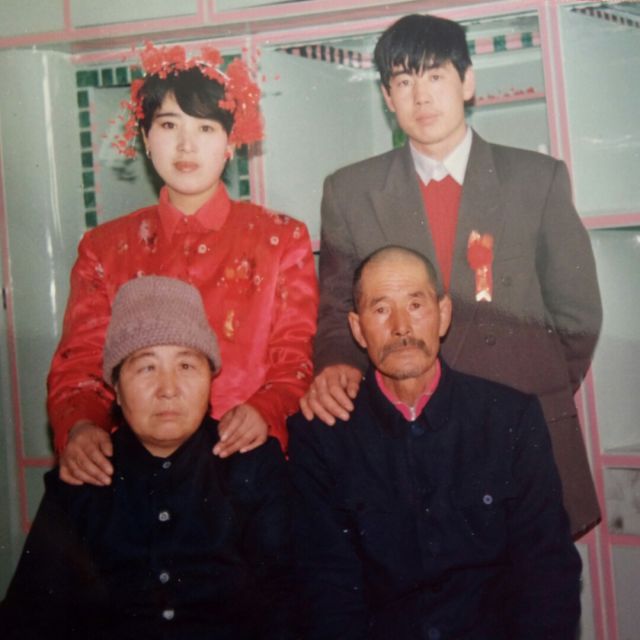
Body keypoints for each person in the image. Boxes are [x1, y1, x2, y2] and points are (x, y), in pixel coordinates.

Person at [302, 13, 602, 536]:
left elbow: (577, 315)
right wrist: (337, 365)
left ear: (467, 83)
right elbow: (336, 312)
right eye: (403, 81)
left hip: (520, 427)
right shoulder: (350, 192)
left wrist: (532, 381)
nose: (421, 97)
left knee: (534, 580)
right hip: (406, 430)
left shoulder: (536, 178)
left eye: (436, 76)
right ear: (386, 97)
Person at [48, 42, 318, 486]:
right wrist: (82, 427)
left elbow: (295, 361)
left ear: (231, 142)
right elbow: (79, 368)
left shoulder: (280, 239)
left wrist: (264, 410)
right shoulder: (105, 248)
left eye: (206, 128)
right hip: (136, 474)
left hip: (250, 466)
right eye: (169, 125)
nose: (186, 145)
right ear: (145, 138)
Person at [289, 246, 582, 640]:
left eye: (415, 305)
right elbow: (327, 588)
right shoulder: (323, 436)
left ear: (443, 315)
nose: (401, 327)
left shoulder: (510, 419)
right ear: (357, 329)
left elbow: (548, 574)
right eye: (381, 309)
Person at [1, 276, 295, 639]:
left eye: (186, 366)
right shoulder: (83, 476)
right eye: (146, 368)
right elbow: (30, 616)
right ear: (116, 388)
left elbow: (287, 606)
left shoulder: (252, 465)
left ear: (210, 380)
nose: (168, 389)